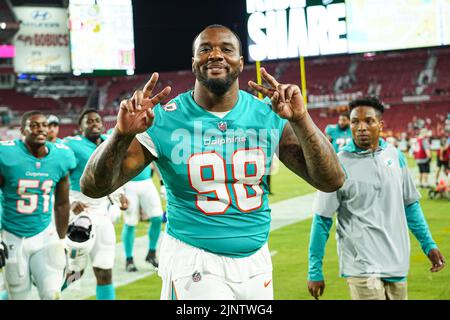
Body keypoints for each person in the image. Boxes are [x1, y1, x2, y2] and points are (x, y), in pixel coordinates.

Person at [80, 24, 345, 300]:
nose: (215, 55)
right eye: (205, 49)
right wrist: (121, 135)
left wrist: (301, 119)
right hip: (193, 259)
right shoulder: (164, 120)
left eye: (226, 49)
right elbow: (93, 187)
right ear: (193, 62)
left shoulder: (267, 114)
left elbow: (331, 180)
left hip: (256, 260)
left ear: (241, 63)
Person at [307, 97, 445, 300]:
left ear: (380, 125)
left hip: (396, 261)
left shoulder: (395, 156)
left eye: (368, 121)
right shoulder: (337, 165)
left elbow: (410, 205)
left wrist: (428, 244)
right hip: (361, 266)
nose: (361, 127)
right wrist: (314, 270)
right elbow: (322, 219)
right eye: (355, 122)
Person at [0, 111, 75, 300]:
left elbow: (62, 203)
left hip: (44, 234)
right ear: (22, 131)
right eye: (34, 125)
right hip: (12, 236)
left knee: (52, 294)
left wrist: (62, 238)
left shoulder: (60, 156)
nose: (41, 128)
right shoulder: (6, 155)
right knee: (18, 295)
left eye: (44, 124)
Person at [62, 109, 127, 300]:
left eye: (97, 120)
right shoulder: (70, 145)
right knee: (75, 273)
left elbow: (115, 173)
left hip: (102, 212)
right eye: (88, 121)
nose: (94, 123)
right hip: (78, 214)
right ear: (79, 127)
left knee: (105, 271)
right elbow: (56, 175)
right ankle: (48, 294)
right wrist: (70, 201)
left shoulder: (111, 141)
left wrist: (120, 194)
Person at [121, 162, 165, 272]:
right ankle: (129, 259)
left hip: (147, 183)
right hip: (128, 183)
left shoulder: (147, 143)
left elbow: (154, 161)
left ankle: (152, 253)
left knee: (157, 217)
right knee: (130, 222)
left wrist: (162, 181)